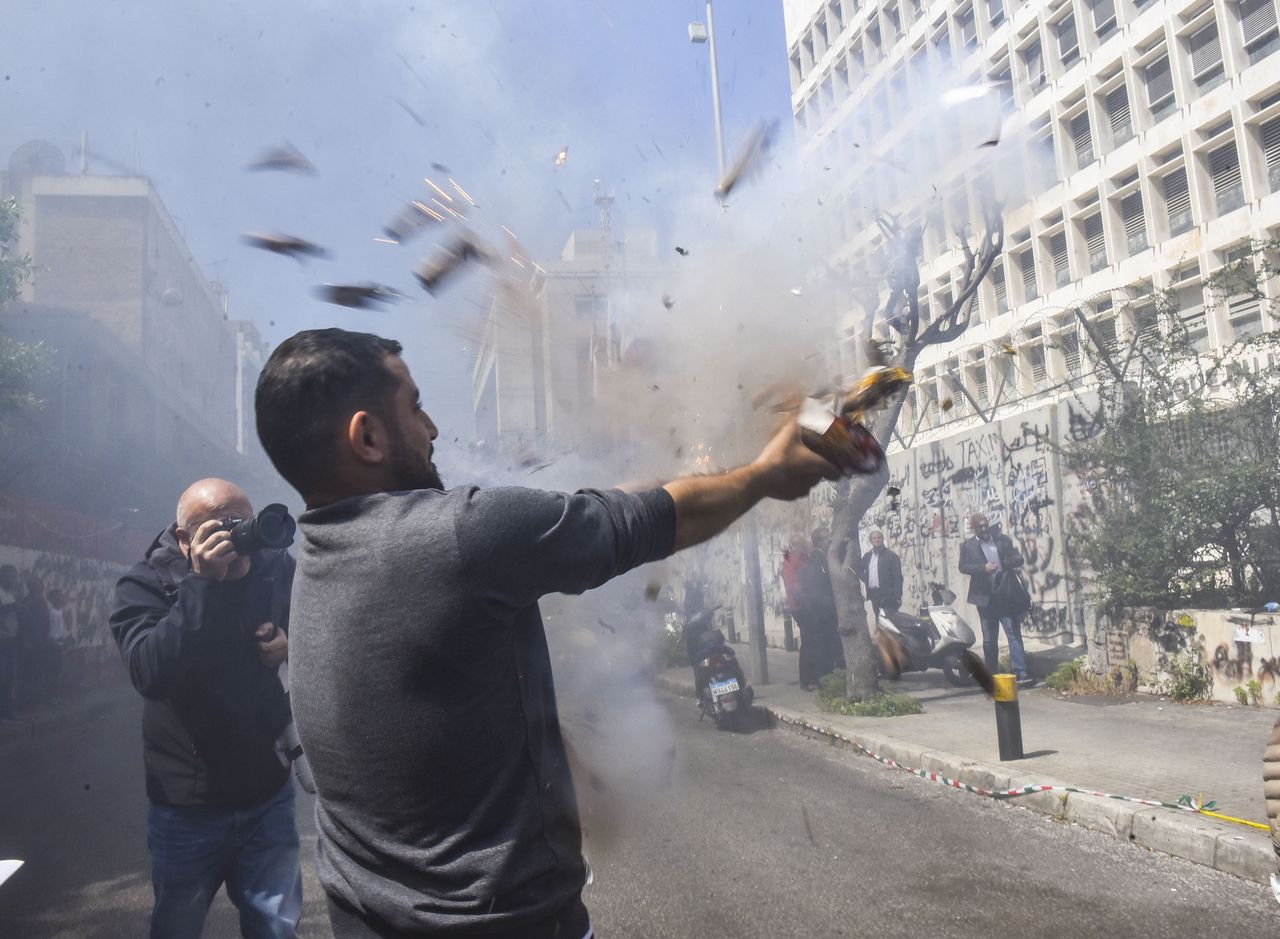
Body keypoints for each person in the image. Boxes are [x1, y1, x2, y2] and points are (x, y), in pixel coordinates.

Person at [253, 328, 839, 938]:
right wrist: (766, 473)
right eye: (415, 405)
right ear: (367, 437)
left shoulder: (315, 560)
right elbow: (653, 519)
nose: (431, 428)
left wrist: (678, 470)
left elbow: (604, 508)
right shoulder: (458, 537)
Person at [109, 478, 303, 939]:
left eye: (245, 520)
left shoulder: (274, 566)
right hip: (187, 805)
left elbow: (316, 623)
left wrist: (291, 644)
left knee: (275, 927)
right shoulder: (146, 584)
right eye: (224, 525)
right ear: (184, 538)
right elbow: (149, 673)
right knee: (178, 925)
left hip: (267, 792)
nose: (241, 534)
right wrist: (202, 584)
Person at [958, 512, 1032, 685]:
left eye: (985, 525)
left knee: (1013, 634)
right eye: (980, 527)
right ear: (973, 529)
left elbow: (1018, 558)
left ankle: (1021, 673)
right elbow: (963, 567)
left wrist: (1008, 562)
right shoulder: (967, 546)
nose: (984, 529)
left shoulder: (1002, 540)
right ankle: (992, 673)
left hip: (1006, 595)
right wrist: (983, 568)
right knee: (990, 638)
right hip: (985, 599)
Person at [788, 528, 847, 691]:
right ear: (820, 543)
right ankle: (813, 679)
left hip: (815, 610)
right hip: (815, 612)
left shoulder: (814, 559)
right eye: (828, 540)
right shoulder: (815, 561)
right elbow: (815, 589)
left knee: (816, 645)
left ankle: (815, 678)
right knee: (814, 645)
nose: (830, 542)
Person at [17, 573, 50, 707]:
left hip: (40, 641)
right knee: (29, 673)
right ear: (31, 586)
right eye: (37, 584)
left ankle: (36, 701)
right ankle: (28, 703)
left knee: (38, 672)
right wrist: (26, 640)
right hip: (30, 642)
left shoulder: (41, 600)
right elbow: (23, 623)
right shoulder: (28, 602)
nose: (40, 586)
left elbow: (44, 622)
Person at [859, 530, 903, 614]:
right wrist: (866, 579)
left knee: (890, 620)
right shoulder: (868, 556)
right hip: (873, 595)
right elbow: (859, 569)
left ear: (882, 539)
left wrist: (898, 596)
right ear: (871, 541)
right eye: (874, 538)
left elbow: (898, 577)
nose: (877, 540)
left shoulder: (891, 556)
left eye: (879, 538)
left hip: (888, 595)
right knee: (878, 620)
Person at [0, 565, 19, 720]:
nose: (12, 580)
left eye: (14, 576)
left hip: (11, 640)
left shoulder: (11, 594)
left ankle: (6, 711)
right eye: (9, 576)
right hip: (2, 640)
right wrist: (14, 606)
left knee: (9, 676)